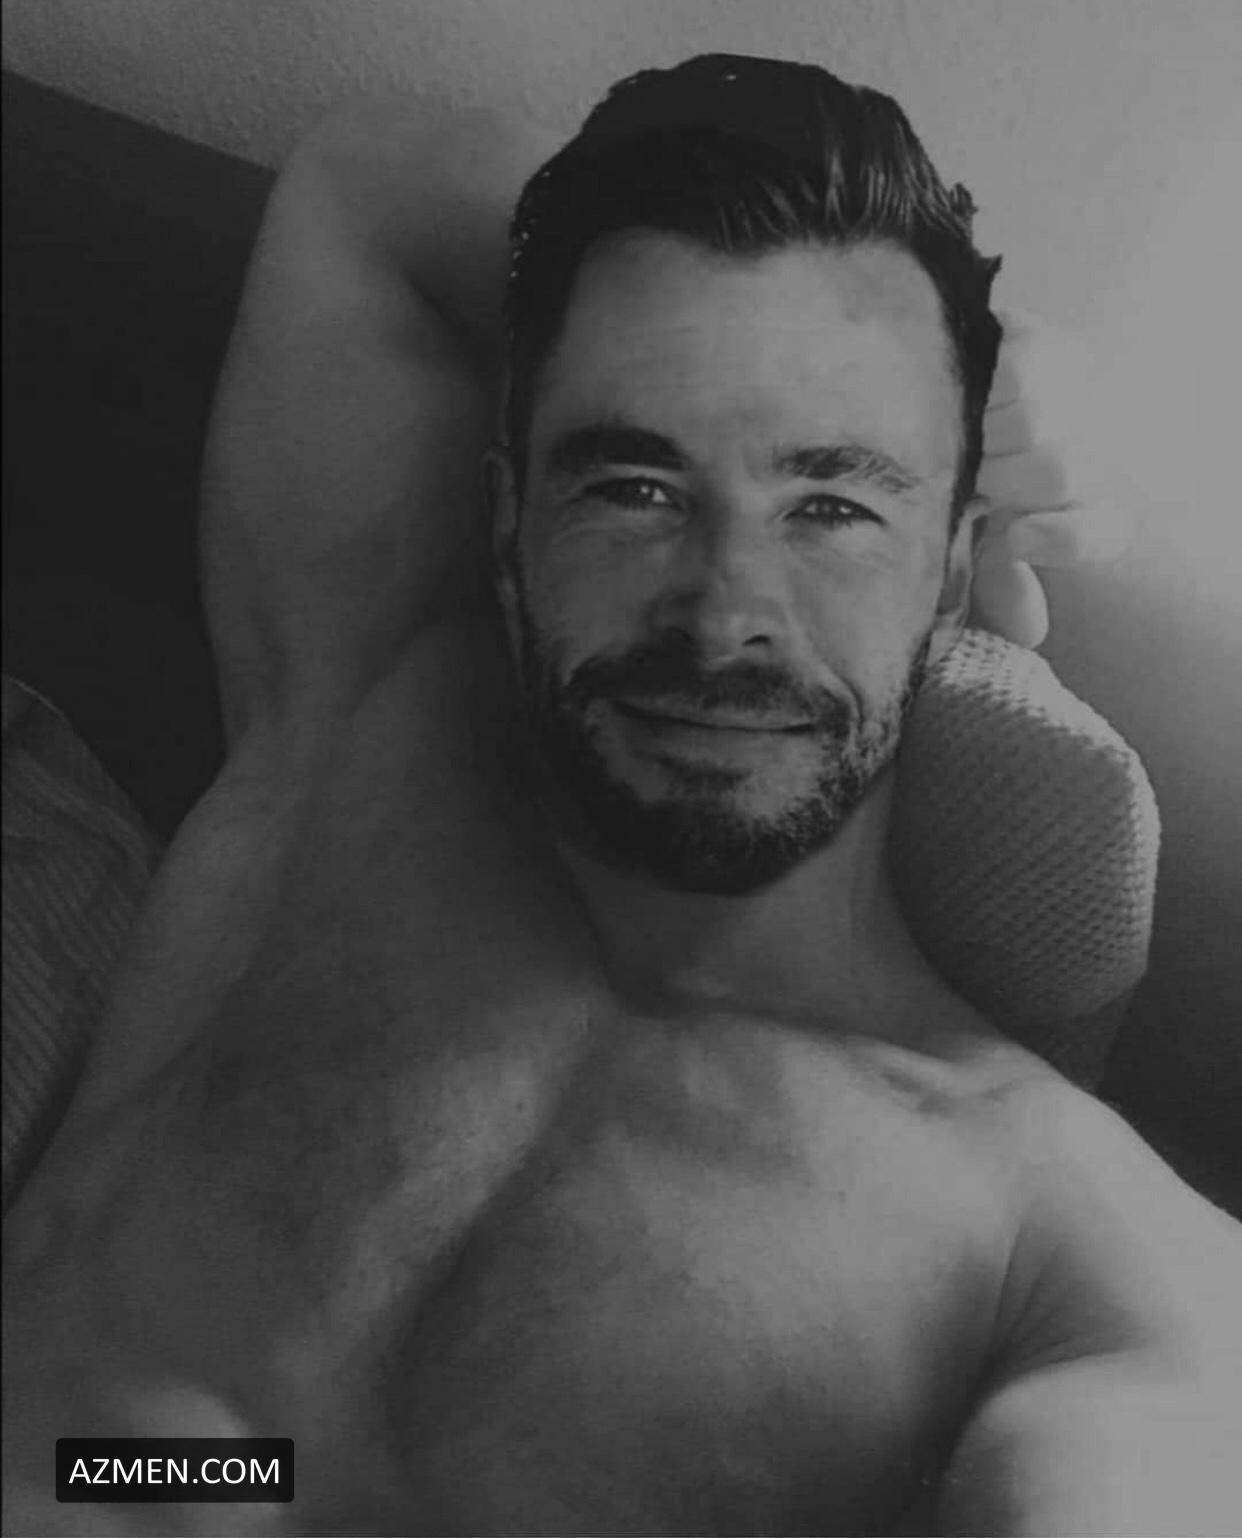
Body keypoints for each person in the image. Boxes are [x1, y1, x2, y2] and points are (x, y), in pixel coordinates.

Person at [3, 52, 1238, 1537]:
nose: (723, 617)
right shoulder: (366, 724)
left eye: (832, 504)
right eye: (635, 487)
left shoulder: (1053, 1233)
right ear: (507, 519)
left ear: (952, 569)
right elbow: (371, 189)